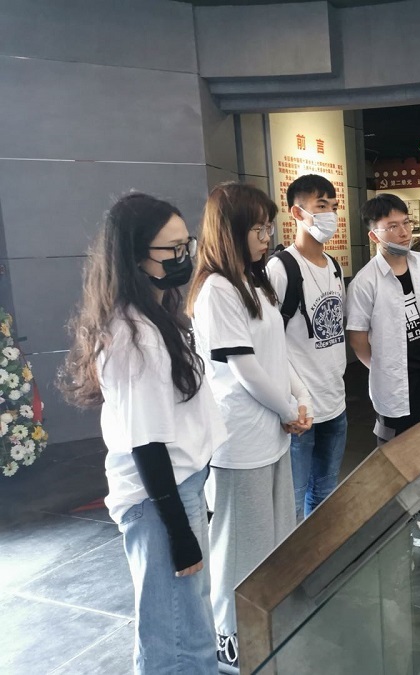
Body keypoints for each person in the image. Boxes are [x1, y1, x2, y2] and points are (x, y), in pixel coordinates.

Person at [61, 193, 221, 673]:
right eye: (171, 250)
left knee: (189, 625)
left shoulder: (157, 314)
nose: (184, 258)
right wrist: (178, 531)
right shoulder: (134, 335)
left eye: (186, 245)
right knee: (175, 640)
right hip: (159, 499)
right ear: (134, 256)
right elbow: (146, 443)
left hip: (179, 485)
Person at [186, 182, 312, 668]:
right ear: (231, 230)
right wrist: (289, 410)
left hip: (272, 431)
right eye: (258, 228)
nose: (266, 237)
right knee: (239, 545)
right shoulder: (217, 290)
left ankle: (266, 621)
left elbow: (276, 353)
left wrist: (300, 399)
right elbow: (245, 369)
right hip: (240, 438)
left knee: (274, 538)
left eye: (268, 227)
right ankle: (230, 636)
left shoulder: (254, 280)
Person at [346, 194, 420, 553]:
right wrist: (385, 370)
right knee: (403, 457)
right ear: (374, 234)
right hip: (396, 388)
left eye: (406, 222)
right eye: (392, 226)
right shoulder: (366, 282)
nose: (403, 231)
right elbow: (358, 339)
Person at [267, 174, 348, 520]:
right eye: (321, 206)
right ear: (297, 213)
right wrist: (291, 400)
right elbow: (267, 342)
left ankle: (321, 550)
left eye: (334, 206)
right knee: (293, 498)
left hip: (334, 401)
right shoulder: (280, 269)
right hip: (299, 410)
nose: (330, 214)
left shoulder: (334, 266)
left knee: (326, 493)